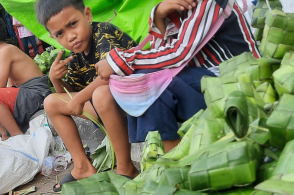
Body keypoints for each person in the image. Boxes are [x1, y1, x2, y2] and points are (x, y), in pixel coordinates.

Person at [94, 0, 259, 159]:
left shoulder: (209, 2)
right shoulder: (176, 6)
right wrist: (158, 16)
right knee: (147, 81)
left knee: (151, 84)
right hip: (204, 83)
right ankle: (170, 159)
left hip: (234, 84)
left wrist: (119, 61)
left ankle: (172, 160)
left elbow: (177, 55)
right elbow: (160, 57)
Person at [35, 0, 136, 190]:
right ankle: (82, 166)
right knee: (51, 102)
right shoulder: (76, 55)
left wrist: (80, 98)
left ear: (87, 15)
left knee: (100, 93)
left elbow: (111, 73)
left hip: (137, 95)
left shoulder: (103, 33)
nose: (70, 36)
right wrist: (56, 80)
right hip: (109, 106)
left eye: (72, 24)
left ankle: (126, 168)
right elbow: (71, 99)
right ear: (52, 37)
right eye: (60, 34)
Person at [0, 14, 51, 141]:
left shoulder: (6, 50)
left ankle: (16, 135)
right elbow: (8, 85)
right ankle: (5, 134)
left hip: (36, 92)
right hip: (27, 92)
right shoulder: (5, 51)